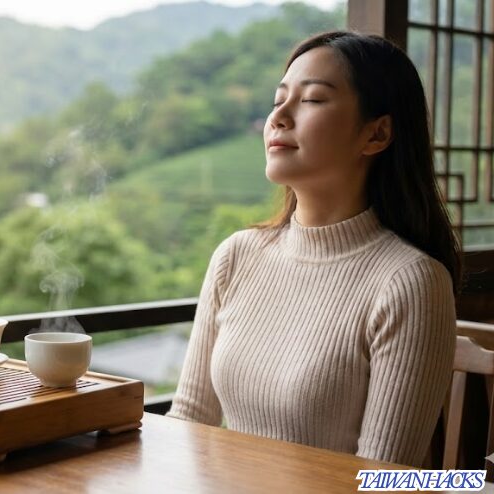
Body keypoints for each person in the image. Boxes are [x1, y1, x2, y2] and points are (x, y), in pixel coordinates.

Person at [167, 31, 461, 467]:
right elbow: (188, 422)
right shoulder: (237, 256)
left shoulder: (410, 282)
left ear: (376, 134)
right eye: (278, 99)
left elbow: (382, 479)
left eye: (313, 100)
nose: (278, 118)